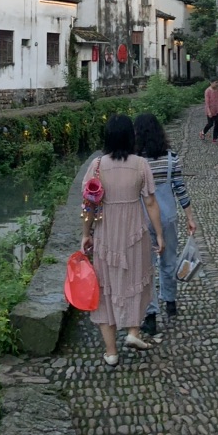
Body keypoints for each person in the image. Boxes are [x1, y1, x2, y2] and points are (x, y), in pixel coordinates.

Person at [82, 114, 167, 366]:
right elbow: (150, 202)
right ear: (131, 136)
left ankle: (111, 352)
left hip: (106, 235)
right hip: (134, 234)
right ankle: (132, 332)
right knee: (136, 283)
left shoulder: (96, 166)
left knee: (105, 290)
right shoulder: (141, 164)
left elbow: (89, 205)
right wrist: (159, 234)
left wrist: (86, 234)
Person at [135, 112, 197, 335]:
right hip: (168, 216)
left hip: (142, 219)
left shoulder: (136, 163)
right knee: (168, 261)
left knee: (146, 267)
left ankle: (150, 314)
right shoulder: (171, 158)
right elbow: (180, 189)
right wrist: (190, 216)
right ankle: (170, 301)